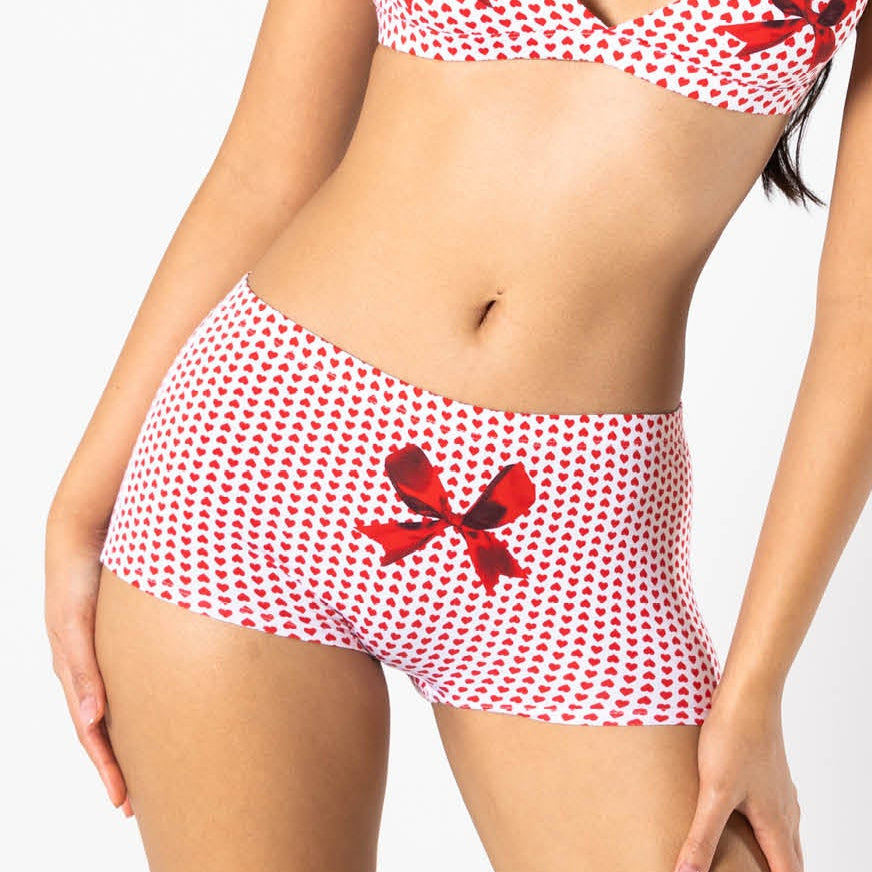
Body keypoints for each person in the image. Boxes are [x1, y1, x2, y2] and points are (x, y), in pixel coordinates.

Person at [45, 0, 872, 869]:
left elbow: (861, 318)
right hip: (264, 460)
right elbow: (265, 168)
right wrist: (81, 504)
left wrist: (756, 690)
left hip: (576, 533)